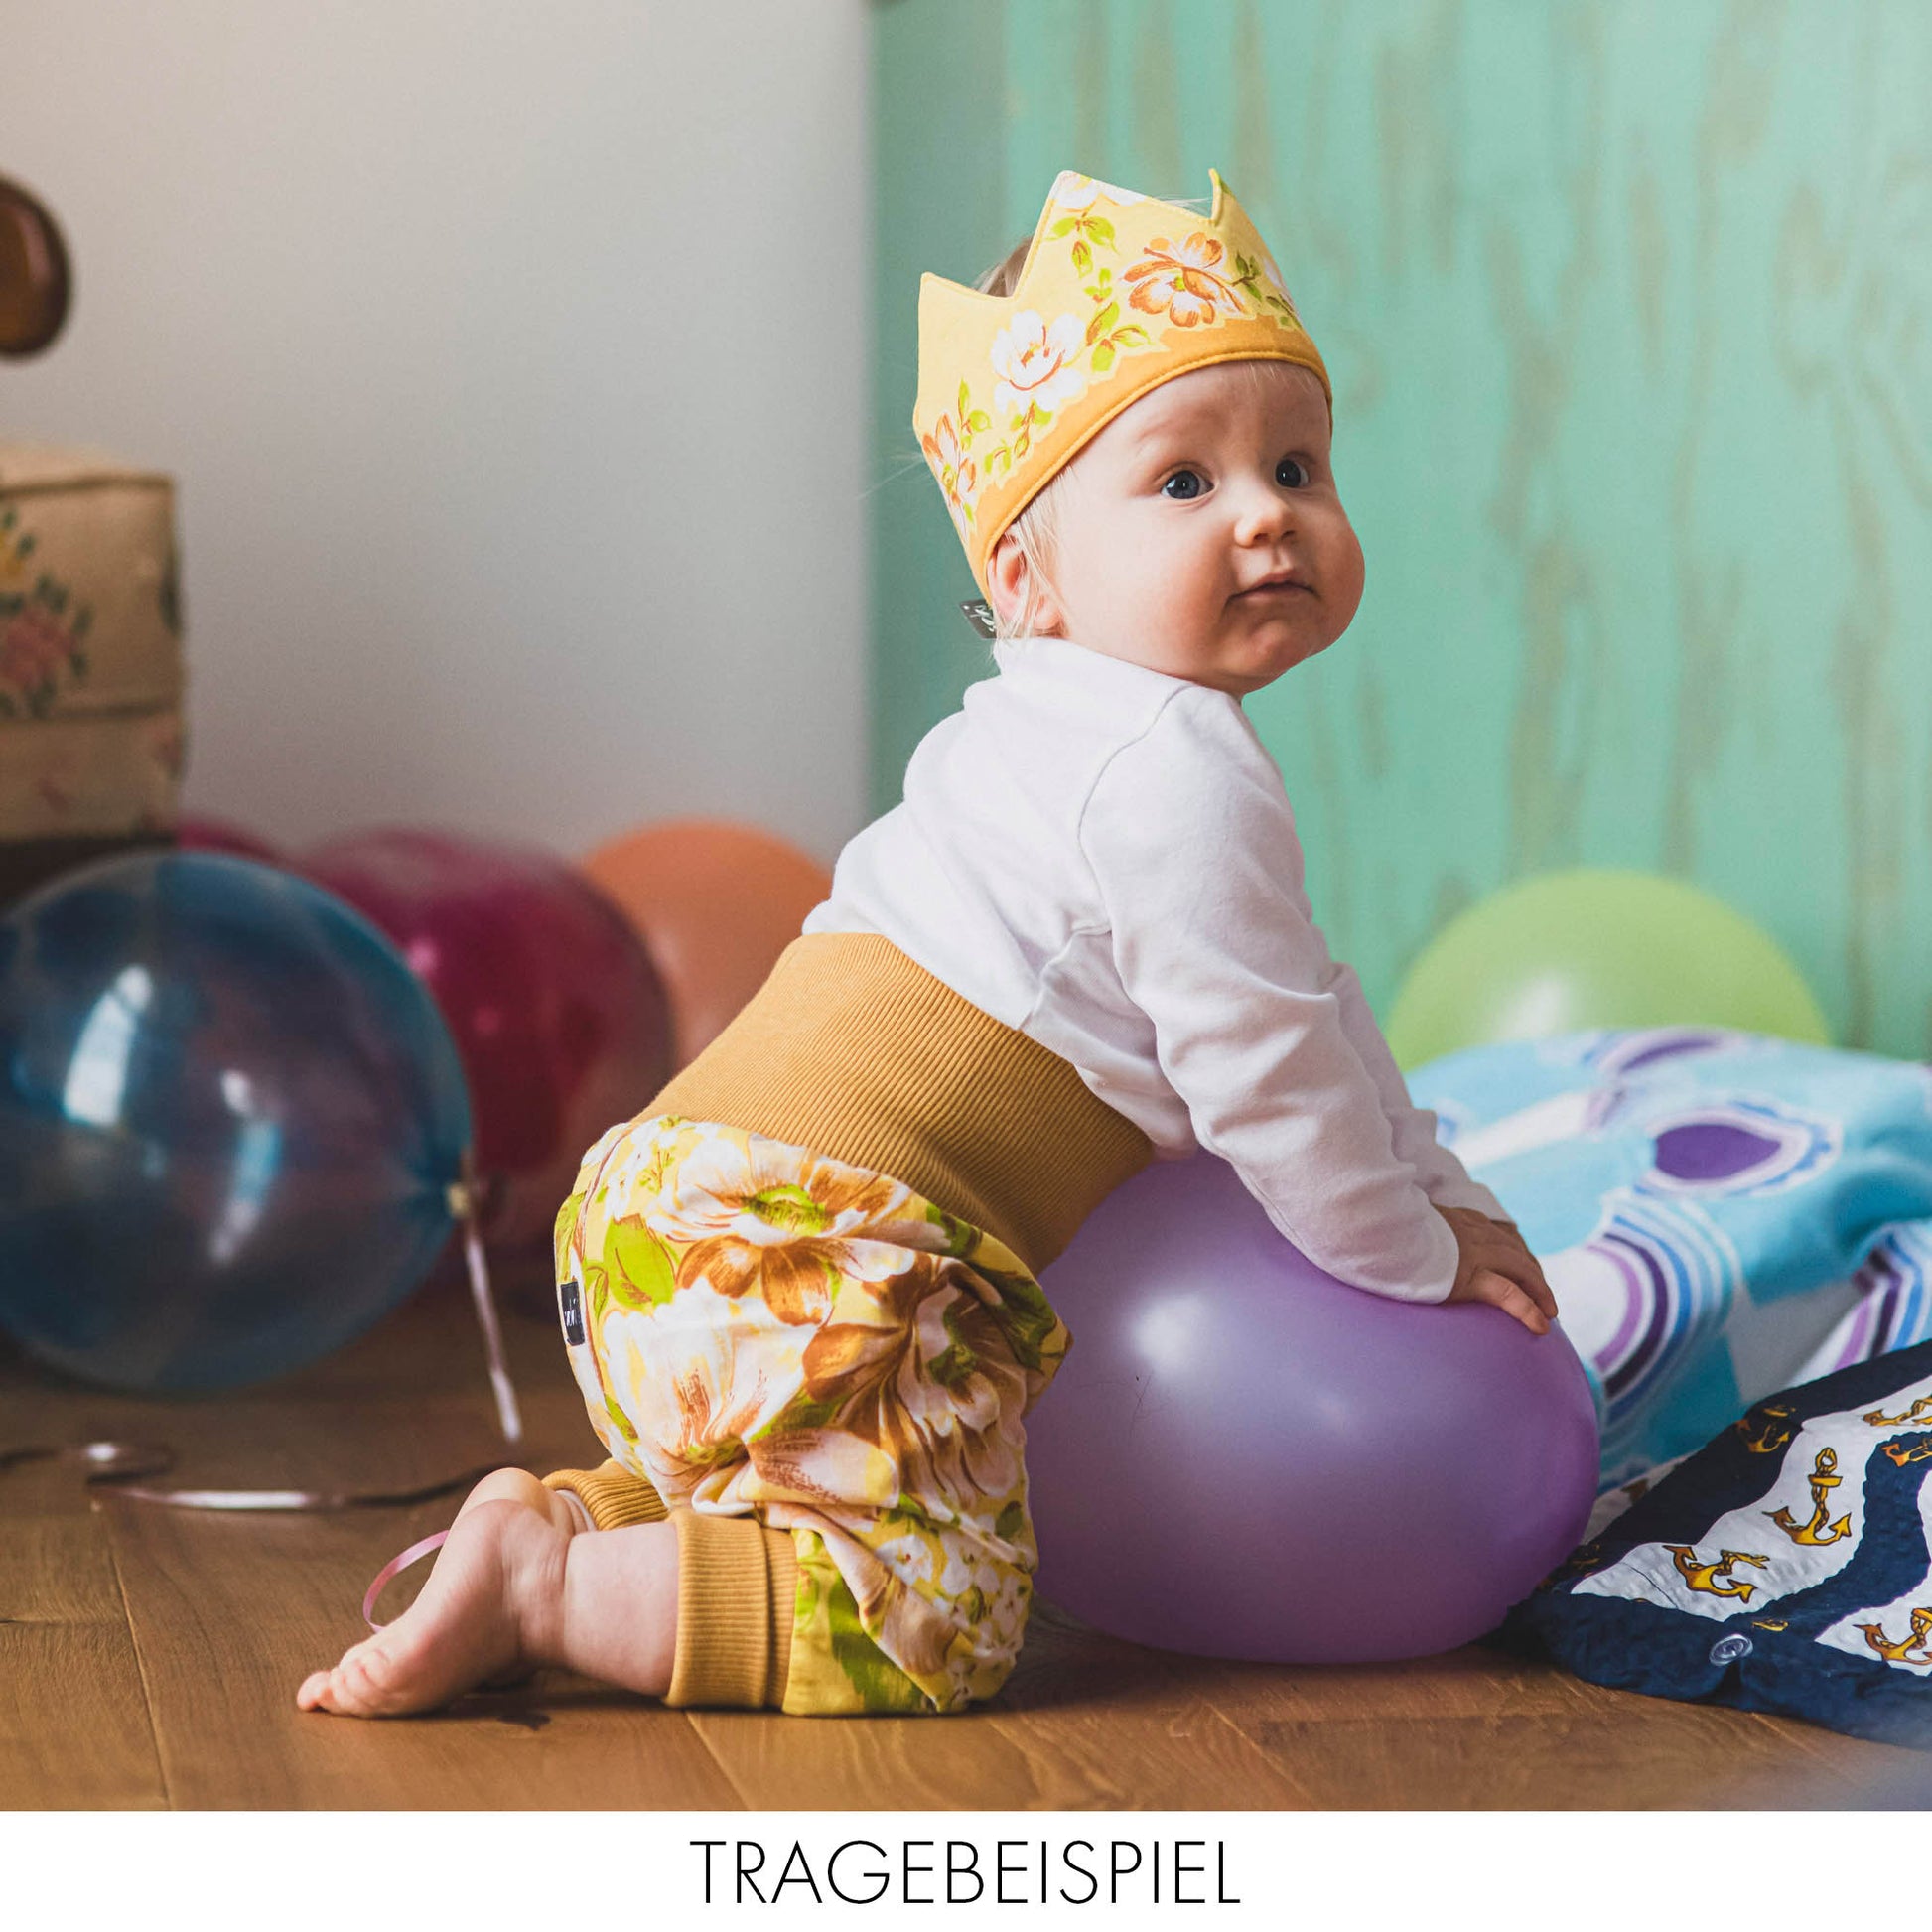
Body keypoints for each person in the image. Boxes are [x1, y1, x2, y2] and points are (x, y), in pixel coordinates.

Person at [297, 169, 1556, 1723]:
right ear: (1025, 579)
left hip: (666, 1217)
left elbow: (1317, 1009)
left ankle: (563, 1522)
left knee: (792, 1492)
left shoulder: (1027, 742)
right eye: (1183, 480)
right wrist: (1411, 1255)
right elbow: (1271, 1078)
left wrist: (1445, 1185)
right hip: (814, 1244)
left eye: (1295, 464)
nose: (1263, 511)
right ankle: (548, 1589)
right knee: (928, 1615)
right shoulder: (1170, 768)